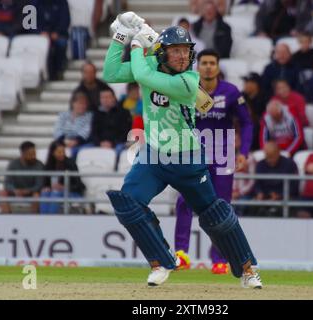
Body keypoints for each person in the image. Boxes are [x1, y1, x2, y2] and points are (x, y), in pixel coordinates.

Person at [104, 13, 262, 288]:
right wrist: (120, 37)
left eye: (186, 51)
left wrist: (139, 43)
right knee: (128, 204)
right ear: (164, 53)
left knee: (215, 216)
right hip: (153, 156)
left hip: (188, 158)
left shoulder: (189, 81)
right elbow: (111, 73)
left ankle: (248, 270)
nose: (181, 57)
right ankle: (160, 262)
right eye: (175, 51)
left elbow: (142, 74)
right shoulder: (152, 63)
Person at [174, 49, 254, 275]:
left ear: (218, 67)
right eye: (204, 63)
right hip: (193, 155)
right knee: (184, 202)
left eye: (212, 63)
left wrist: (244, 152)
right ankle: (181, 253)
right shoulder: (189, 89)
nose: (208, 66)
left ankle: (219, 258)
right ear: (197, 66)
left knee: (221, 207)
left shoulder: (230, 91)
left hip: (223, 157)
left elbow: (247, 123)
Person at [252, 141, 299, 217]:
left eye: (271, 156)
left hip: (285, 197)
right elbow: (257, 183)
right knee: (251, 206)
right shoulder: (260, 165)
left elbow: (293, 186)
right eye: (267, 156)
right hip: (265, 197)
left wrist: (280, 195)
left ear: (278, 152)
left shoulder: (290, 164)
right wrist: (259, 193)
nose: (269, 159)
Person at [0, 141, 45, 214]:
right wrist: (15, 190)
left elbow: (39, 184)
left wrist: (28, 191)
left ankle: (34, 219)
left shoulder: (39, 165)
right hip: (15, 192)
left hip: (31, 193)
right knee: (2, 193)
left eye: (34, 154)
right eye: (31, 154)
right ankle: (6, 218)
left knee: (36, 195)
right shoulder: (13, 164)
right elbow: (7, 183)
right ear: (23, 154)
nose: (33, 156)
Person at [40, 140, 85, 214]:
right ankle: (44, 218)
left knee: (56, 193)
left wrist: (64, 187)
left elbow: (78, 185)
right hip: (54, 192)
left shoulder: (70, 163)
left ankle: (50, 218)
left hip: (72, 192)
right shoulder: (49, 165)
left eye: (63, 151)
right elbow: (46, 183)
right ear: (52, 153)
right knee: (45, 193)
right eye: (59, 152)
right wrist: (47, 187)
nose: (61, 154)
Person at [35, 0, 71, 80]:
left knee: (61, 44)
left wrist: (57, 32)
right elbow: (30, 23)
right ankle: (44, 74)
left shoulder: (62, 2)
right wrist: (39, 32)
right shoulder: (35, 3)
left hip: (58, 34)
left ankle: (59, 70)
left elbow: (65, 20)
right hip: (40, 36)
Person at [91, 88, 132, 155]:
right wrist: (100, 143)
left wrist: (112, 143)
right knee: (83, 150)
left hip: (118, 143)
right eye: (103, 97)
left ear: (113, 98)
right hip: (100, 143)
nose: (105, 100)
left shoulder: (124, 112)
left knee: (117, 151)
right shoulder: (96, 113)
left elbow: (125, 132)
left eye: (108, 97)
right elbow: (94, 132)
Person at [54, 91, 93, 159]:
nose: (82, 106)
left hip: (81, 143)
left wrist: (75, 141)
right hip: (63, 142)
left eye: (84, 104)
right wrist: (64, 141)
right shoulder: (63, 115)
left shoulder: (89, 117)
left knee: (73, 152)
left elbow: (86, 131)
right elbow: (57, 129)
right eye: (79, 103)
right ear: (73, 103)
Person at [241, 72, 269, 151]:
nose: (245, 84)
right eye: (245, 82)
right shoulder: (241, 96)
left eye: (247, 82)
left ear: (255, 85)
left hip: (260, 128)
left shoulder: (264, 98)